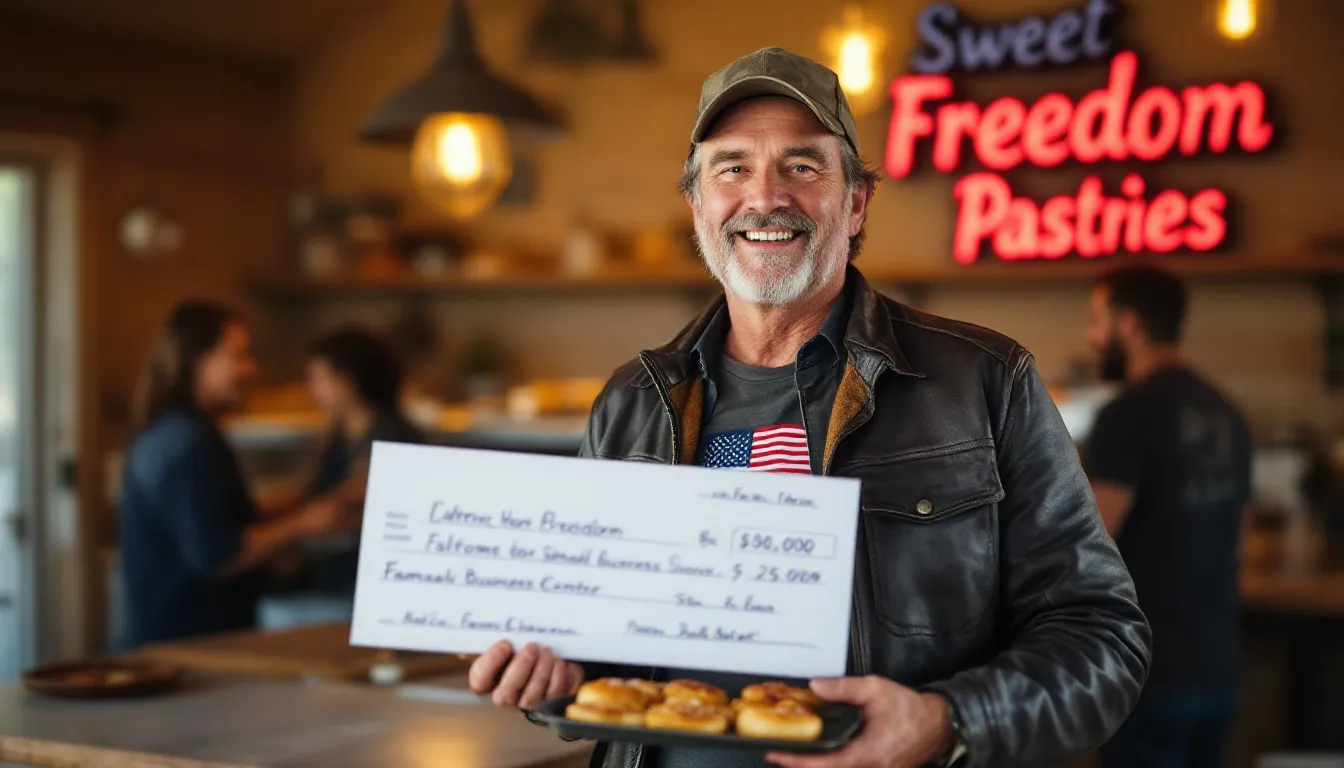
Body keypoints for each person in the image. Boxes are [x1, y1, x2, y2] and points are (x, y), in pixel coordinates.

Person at [469, 47, 1151, 768]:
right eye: (731, 168)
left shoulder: (985, 381)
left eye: (802, 167)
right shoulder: (631, 405)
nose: (765, 197)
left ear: (856, 201)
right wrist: (549, 677)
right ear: (698, 207)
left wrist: (945, 720)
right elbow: (596, 659)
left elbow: (1103, 638)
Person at [1084, 265, 1252, 768]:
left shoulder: (1127, 414)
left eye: (1097, 320)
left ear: (1128, 325)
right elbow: (1238, 540)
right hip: (1219, 667)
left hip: (1148, 671)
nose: (1092, 337)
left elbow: (1092, 541)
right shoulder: (1226, 411)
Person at [117, 301, 348, 648]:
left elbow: (217, 521)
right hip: (187, 644)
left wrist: (300, 506)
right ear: (198, 359)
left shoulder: (176, 431)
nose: (250, 368)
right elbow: (215, 554)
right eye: (238, 356)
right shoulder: (187, 441)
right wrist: (303, 523)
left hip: (177, 638)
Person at [292, 326, 425, 594]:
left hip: (367, 579)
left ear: (347, 380)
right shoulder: (340, 435)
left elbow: (359, 501)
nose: (312, 388)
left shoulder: (394, 436)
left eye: (318, 377)